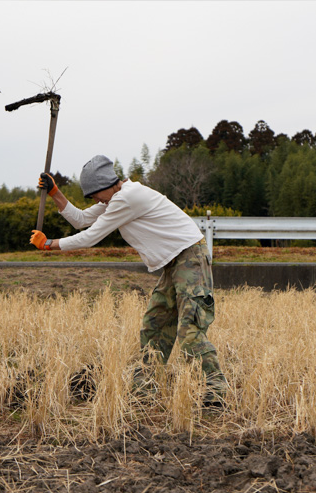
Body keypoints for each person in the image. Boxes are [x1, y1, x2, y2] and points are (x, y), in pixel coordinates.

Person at [30, 155, 225, 410]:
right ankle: (145, 390)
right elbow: (81, 219)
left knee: (190, 331)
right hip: (172, 263)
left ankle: (215, 392)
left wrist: (49, 244)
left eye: (95, 195)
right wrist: (55, 193)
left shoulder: (126, 198)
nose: (95, 201)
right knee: (154, 325)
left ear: (106, 185)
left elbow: (90, 236)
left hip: (190, 258)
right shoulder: (115, 198)